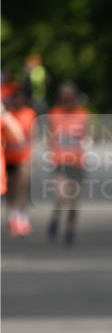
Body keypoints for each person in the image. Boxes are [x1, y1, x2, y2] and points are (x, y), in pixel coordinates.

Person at [47, 82, 90, 245]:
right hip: (60, 161)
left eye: (70, 97)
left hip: (77, 163)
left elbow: (89, 135)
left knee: (73, 200)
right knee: (60, 195)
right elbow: (50, 136)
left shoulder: (83, 114)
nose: (67, 100)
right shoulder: (54, 113)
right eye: (64, 97)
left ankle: (70, 230)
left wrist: (87, 141)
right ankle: (55, 218)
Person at [5, 88, 37, 236]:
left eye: (20, 98)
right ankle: (13, 217)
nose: (17, 101)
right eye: (15, 98)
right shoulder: (7, 115)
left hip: (23, 157)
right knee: (11, 190)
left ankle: (23, 218)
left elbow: (33, 135)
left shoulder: (29, 114)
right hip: (7, 157)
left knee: (23, 187)